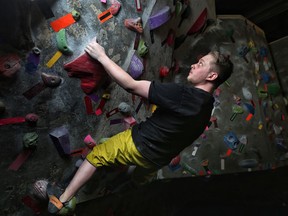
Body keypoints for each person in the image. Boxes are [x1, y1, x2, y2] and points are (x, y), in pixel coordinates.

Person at [47, 38, 233, 214]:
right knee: (139, 179)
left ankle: (61, 199)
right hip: (158, 158)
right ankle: (126, 188)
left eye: (200, 63)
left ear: (212, 75)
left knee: (97, 156)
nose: (194, 64)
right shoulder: (208, 105)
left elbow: (131, 85)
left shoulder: (184, 95)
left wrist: (101, 55)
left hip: (139, 145)